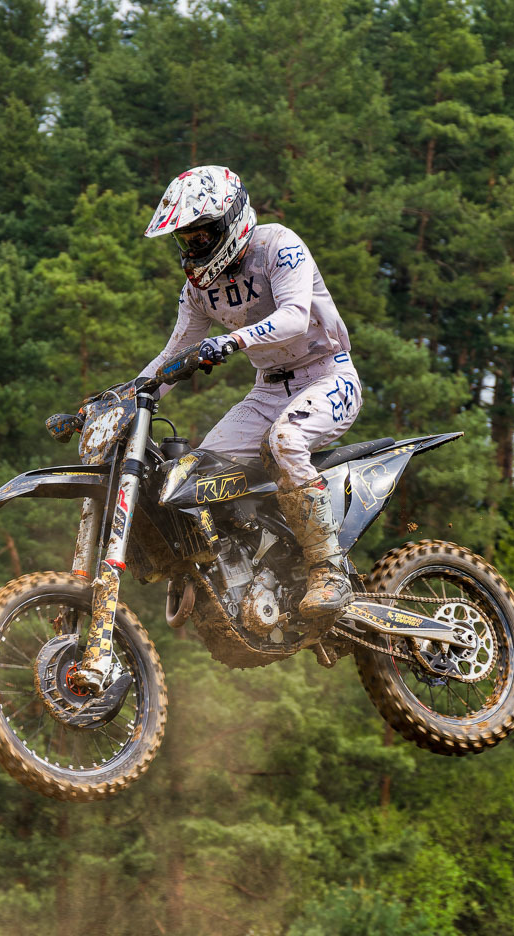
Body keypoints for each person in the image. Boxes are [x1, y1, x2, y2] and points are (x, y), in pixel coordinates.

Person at [136, 165, 360, 619]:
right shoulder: (198, 291)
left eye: (201, 236)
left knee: (285, 441)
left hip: (327, 376)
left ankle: (329, 570)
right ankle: (244, 570)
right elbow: (172, 356)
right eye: (185, 239)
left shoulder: (278, 244)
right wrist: (119, 399)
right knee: (196, 476)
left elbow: (296, 316)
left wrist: (232, 340)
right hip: (268, 391)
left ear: (230, 221)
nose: (193, 247)